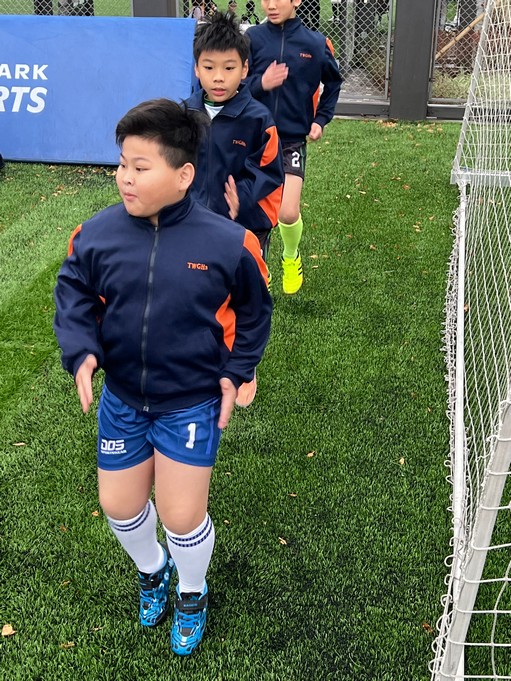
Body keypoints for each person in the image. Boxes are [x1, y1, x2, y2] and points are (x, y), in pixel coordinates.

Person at [53, 99, 272, 657]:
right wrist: (81, 351)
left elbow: (254, 313)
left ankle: (192, 591)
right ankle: (154, 570)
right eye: (122, 163)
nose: (124, 177)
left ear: (183, 175)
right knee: (119, 506)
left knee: (180, 515)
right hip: (123, 398)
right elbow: (73, 292)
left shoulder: (228, 243)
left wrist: (238, 370)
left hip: (191, 402)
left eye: (140, 166)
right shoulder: (96, 235)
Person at [185, 11, 284, 407]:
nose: (219, 77)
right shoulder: (184, 115)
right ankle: (203, 353)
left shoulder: (258, 118)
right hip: (195, 222)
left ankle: (244, 364)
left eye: (229, 68)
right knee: (200, 289)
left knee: (244, 293)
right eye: (209, 67)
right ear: (196, 68)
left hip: (244, 226)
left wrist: (242, 197)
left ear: (245, 70)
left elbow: (270, 171)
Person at [245, 0, 342, 294]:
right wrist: (261, 83)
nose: (271, 5)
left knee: (287, 212)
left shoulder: (315, 44)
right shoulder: (251, 38)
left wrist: (321, 119)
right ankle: (258, 271)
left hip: (291, 141)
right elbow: (237, 82)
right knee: (255, 213)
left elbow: (333, 83)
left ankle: (291, 256)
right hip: (255, 139)